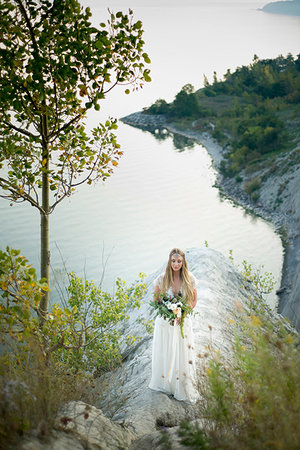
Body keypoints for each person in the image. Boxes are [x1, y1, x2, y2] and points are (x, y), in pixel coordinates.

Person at [149, 248, 198, 403]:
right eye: (173, 261)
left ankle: (180, 385)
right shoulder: (162, 279)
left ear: (183, 262)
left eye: (179, 261)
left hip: (182, 321)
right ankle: (166, 384)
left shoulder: (190, 279)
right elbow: (157, 299)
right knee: (166, 350)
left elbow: (193, 301)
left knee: (182, 351)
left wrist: (182, 312)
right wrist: (169, 310)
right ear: (169, 262)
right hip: (165, 322)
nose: (176, 264)